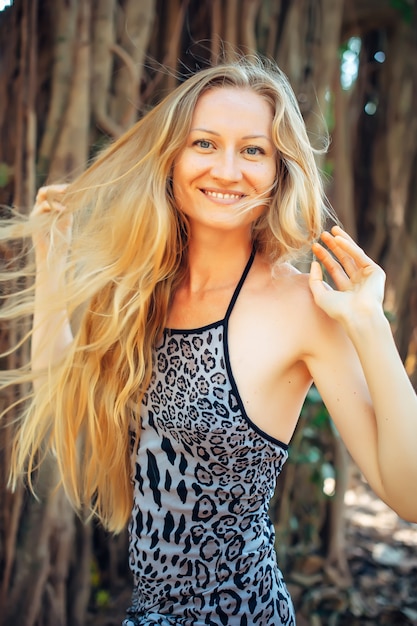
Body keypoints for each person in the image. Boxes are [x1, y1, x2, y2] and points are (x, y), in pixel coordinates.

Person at [2, 57, 417, 626]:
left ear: (279, 171)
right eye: (204, 143)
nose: (227, 170)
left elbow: (409, 496)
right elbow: (66, 389)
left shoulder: (300, 307)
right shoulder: (141, 292)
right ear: (172, 158)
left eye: (253, 150)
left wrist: (370, 325)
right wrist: (51, 258)